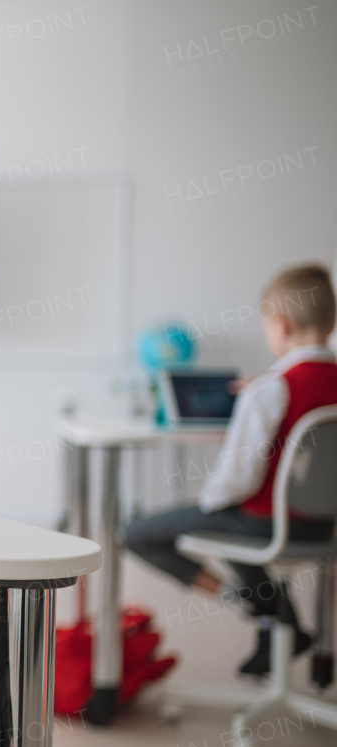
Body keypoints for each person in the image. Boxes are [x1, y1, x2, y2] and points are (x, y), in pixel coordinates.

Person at [124, 263, 337, 675]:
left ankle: (252, 604)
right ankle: (279, 620)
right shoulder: (277, 384)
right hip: (324, 527)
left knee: (137, 533)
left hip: (267, 526)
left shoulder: (271, 388)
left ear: (281, 325)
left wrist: (208, 502)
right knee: (233, 520)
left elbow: (237, 480)